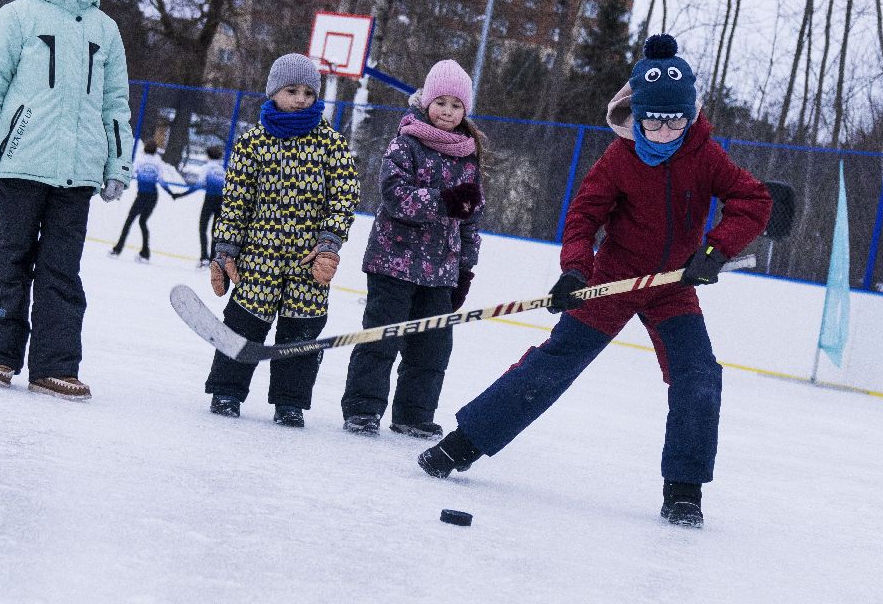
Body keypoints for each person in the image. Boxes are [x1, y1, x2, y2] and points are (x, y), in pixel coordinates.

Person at [416, 35, 772, 529]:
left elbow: (754, 201)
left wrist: (714, 250)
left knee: (699, 375)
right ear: (636, 114)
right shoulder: (619, 158)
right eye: (654, 119)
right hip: (615, 278)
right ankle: (463, 443)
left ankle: (684, 489)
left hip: (673, 284)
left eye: (676, 120)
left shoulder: (705, 154)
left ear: (690, 115)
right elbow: (584, 217)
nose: (665, 130)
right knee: (555, 362)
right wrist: (575, 269)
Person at [0, 0, 132, 400]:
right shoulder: (17, 17)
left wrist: (117, 164)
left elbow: (116, 104)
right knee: (11, 261)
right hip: (20, 164)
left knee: (61, 271)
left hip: (77, 174)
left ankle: (55, 366)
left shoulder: (106, 31)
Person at [204, 53, 360, 427]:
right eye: (292, 90)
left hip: (308, 260)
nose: (301, 99)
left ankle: (290, 402)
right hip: (259, 257)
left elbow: (345, 196)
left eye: (309, 92)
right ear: (274, 92)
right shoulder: (252, 143)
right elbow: (236, 201)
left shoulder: (330, 144)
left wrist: (329, 244)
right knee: (242, 324)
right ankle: (227, 390)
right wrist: (225, 250)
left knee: (301, 332)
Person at [340, 59, 485, 439]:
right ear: (426, 101)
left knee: (432, 349)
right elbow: (394, 195)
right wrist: (444, 201)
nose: (448, 111)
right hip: (393, 264)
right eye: (441, 102)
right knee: (381, 339)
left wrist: (465, 269)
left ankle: (414, 414)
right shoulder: (406, 143)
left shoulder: (469, 156)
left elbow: (471, 218)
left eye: (457, 105)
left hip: (440, 272)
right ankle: (362, 408)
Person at [109, 139, 175, 262]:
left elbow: (130, 175)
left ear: (145, 149)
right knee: (142, 222)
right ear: (155, 150)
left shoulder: (140, 160)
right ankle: (145, 253)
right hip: (153, 197)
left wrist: (119, 189)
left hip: (142, 196)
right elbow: (161, 181)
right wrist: (172, 193)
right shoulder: (158, 162)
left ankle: (117, 249)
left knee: (129, 222)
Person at [174, 143, 226, 267]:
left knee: (203, 228)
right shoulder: (222, 169)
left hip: (210, 200)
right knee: (215, 231)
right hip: (221, 201)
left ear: (208, 156)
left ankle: (204, 258)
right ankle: (214, 258)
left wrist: (181, 194)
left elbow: (198, 185)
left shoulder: (206, 168)